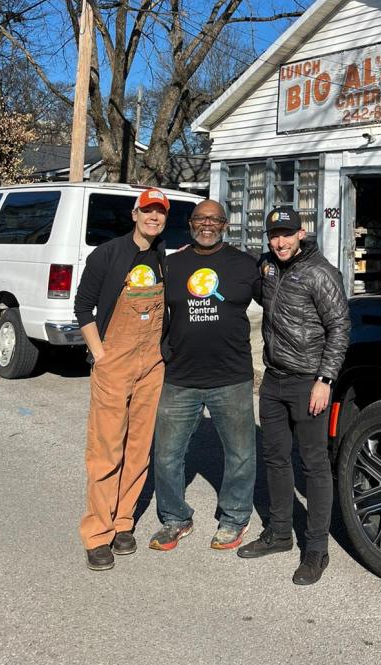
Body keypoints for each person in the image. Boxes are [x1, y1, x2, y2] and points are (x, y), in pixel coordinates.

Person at [238, 206, 350, 586]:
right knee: (275, 457)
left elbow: (339, 327)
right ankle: (280, 531)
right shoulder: (268, 266)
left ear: (301, 233)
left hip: (308, 382)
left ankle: (316, 549)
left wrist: (325, 379)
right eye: (274, 235)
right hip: (273, 380)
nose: (280, 241)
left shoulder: (321, 272)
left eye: (287, 234)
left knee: (314, 465)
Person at [149, 199, 261, 553]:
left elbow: (280, 303)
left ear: (225, 225)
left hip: (231, 376)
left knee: (240, 454)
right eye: (200, 219)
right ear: (191, 224)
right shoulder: (173, 264)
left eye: (214, 219)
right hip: (180, 376)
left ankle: (234, 517)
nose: (207, 224)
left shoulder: (245, 264)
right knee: (166, 454)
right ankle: (175, 518)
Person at [76, 187, 171, 571]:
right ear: (135, 214)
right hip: (114, 361)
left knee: (138, 447)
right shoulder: (108, 254)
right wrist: (100, 354)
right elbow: (83, 306)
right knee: (106, 449)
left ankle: (123, 522)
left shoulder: (164, 256)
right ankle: (97, 533)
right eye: (147, 211)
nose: (153, 217)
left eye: (159, 212)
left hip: (151, 364)